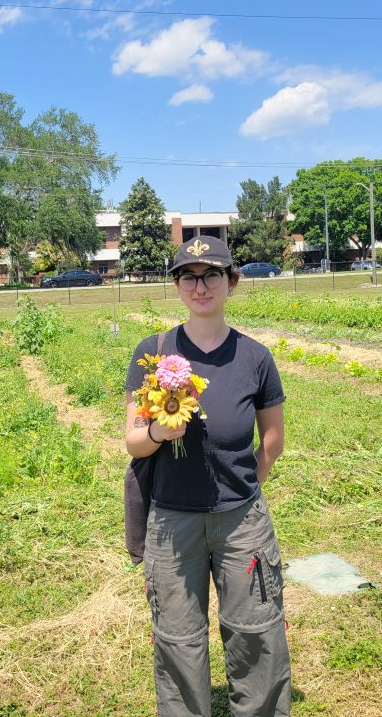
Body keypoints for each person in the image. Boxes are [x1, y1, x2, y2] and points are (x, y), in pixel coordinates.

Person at [124, 236, 291, 717]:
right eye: (189, 276)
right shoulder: (153, 354)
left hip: (242, 521)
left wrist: (242, 487)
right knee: (177, 635)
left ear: (231, 282)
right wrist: (159, 428)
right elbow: (133, 441)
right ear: (177, 286)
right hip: (172, 521)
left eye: (212, 274)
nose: (201, 286)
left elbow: (273, 441)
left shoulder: (255, 358)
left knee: (257, 630)